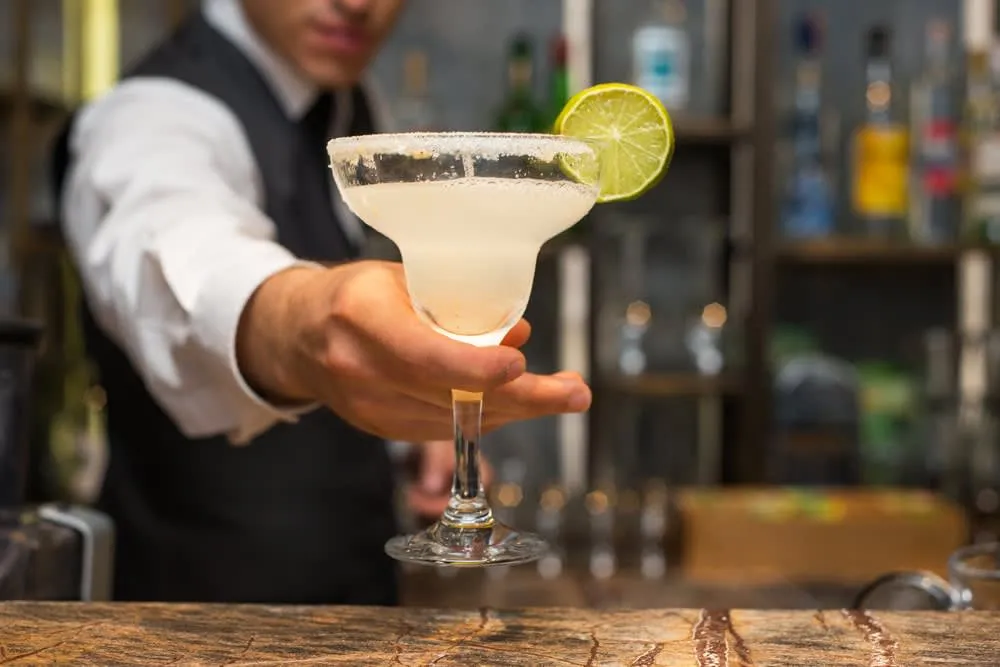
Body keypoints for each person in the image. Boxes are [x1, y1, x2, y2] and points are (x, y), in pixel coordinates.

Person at [53, 0, 592, 605]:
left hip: (361, 596)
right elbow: (173, 249)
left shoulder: (350, 105)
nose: (357, 4)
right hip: (194, 612)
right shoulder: (150, 115)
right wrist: (305, 323)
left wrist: (420, 428)